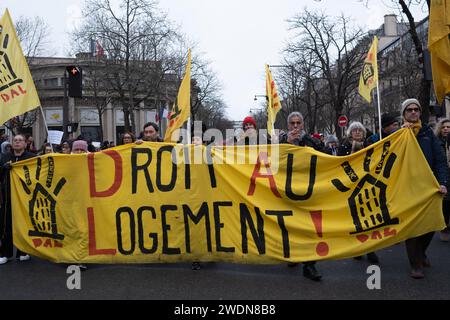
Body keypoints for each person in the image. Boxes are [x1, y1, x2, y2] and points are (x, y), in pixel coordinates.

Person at [401, 98, 448, 279]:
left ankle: (420, 253)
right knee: (412, 228)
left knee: (430, 225)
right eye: (409, 110)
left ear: (420, 113)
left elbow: (440, 160)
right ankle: (416, 264)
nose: (413, 112)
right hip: (406, 189)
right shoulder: (399, 135)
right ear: (404, 114)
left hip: (428, 188)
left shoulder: (429, 134)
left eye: (416, 109)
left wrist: (443, 182)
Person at [279, 112, 322, 281]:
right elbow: (271, 161)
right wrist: (287, 144)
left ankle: (310, 265)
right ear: (288, 125)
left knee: (308, 228)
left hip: (307, 191)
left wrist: (306, 141)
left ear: (302, 124)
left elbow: (323, 154)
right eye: (292, 123)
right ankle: (293, 255)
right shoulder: (281, 141)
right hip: (286, 191)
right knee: (290, 226)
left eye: (298, 123)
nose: (295, 126)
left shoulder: (310, 140)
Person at [338, 122, 379, 264]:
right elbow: (341, 163)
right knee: (355, 218)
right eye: (354, 130)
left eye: (360, 130)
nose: (357, 132)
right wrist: (353, 177)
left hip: (367, 185)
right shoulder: (344, 146)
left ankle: (370, 249)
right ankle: (358, 248)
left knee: (368, 217)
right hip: (352, 186)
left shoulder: (369, 145)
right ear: (350, 132)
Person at [0, 134, 36, 264]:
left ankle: (23, 252)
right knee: (5, 225)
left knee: (24, 224)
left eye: (20, 140)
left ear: (25, 144)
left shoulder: (31, 158)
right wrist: (3, 169)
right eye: (15, 140)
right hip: (7, 197)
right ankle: (5, 253)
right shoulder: (4, 158)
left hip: (25, 198)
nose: (17, 142)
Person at [434, 118, 450, 242]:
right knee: (445, 202)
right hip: (443, 175)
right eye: (444, 127)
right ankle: (444, 226)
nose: (446, 129)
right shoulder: (436, 142)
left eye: (448, 127)